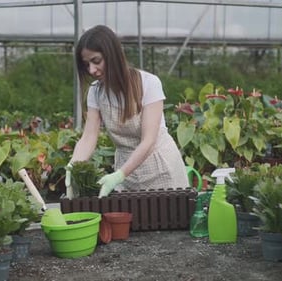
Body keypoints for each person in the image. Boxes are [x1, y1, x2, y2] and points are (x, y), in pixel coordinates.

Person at [65, 25, 189, 198]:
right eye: (86, 65)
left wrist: (119, 175)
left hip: (161, 168)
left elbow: (148, 141)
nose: (92, 70)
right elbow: (89, 137)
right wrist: (73, 166)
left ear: (112, 54)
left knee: (168, 219)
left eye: (96, 61)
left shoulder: (148, 83)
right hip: (126, 172)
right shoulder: (96, 91)